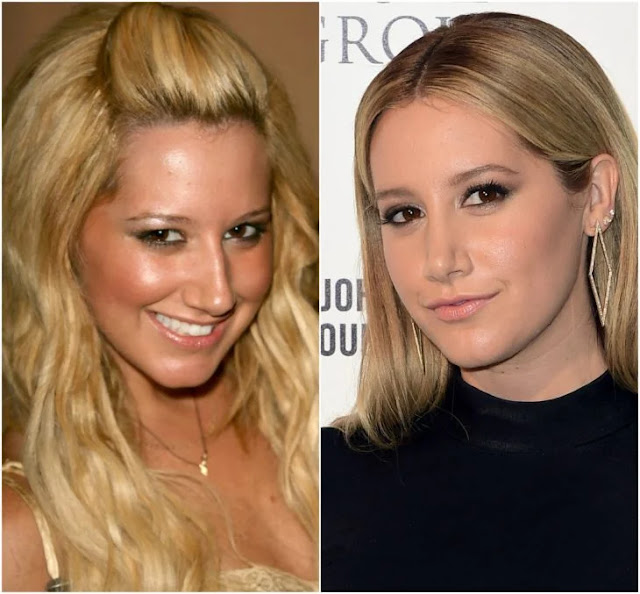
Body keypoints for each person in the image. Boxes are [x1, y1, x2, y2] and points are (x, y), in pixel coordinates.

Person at [3, 3, 318, 591]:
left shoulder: (335, 413)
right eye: (163, 236)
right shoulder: (21, 528)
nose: (218, 293)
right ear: (57, 236)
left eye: (244, 231)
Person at [322, 11, 637, 592]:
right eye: (404, 213)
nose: (440, 260)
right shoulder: (323, 484)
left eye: (483, 194)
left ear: (595, 194)